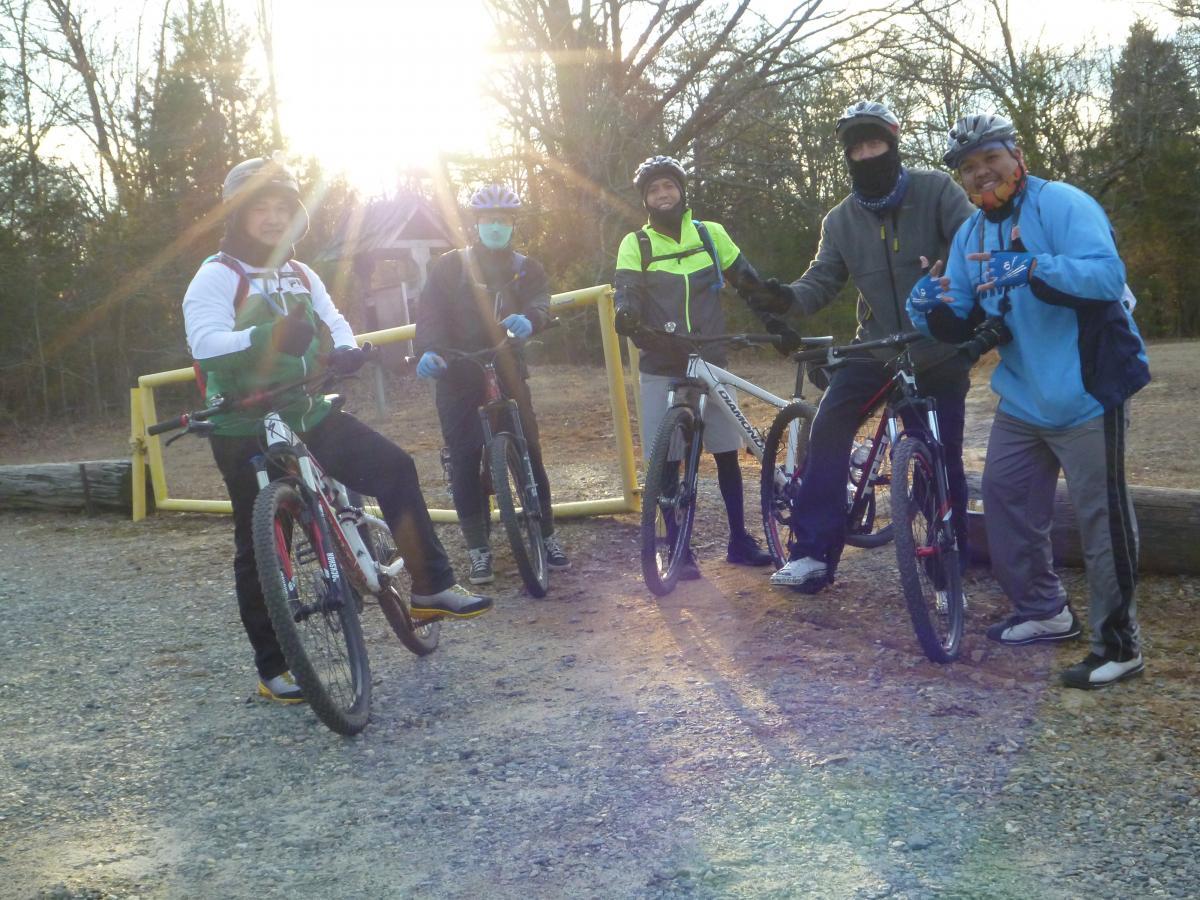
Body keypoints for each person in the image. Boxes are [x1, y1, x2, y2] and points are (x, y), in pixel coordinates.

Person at [183, 156, 492, 704]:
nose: (274, 219)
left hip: (303, 408)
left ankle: (430, 586)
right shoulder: (217, 274)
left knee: (394, 467)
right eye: (262, 208)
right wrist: (267, 338)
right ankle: (274, 667)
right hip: (242, 422)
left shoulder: (300, 273)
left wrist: (347, 349)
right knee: (258, 544)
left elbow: (333, 318)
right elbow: (205, 342)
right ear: (238, 214)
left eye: (284, 208)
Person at [907, 113, 1150, 689]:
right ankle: (1045, 611)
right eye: (968, 169)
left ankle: (1120, 646)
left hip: (1089, 388)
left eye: (990, 159)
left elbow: (1106, 277)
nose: (981, 174)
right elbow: (965, 316)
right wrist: (931, 309)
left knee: (1102, 520)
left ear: (1016, 156)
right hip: (1024, 397)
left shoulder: (1062, 204)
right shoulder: (972, 233)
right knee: (1006, 501)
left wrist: (1034, 266)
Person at [747, 101, 976, 593]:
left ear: (893, 144)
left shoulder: (937, 190)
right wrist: (783, 298)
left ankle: (947, 553)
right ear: (847, 155)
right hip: (875, 350)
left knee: (943, 452)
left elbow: (975, 248)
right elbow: (820, 282)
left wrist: (967, 308)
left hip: (937, 347)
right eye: (856, 147)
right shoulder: (840, 220)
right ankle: (812, 553)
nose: (866, 153)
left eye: (874, 143)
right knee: (828, 426)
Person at [612, 154, 781, 579]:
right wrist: (626, 315)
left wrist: (777, 322)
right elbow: (627, 291)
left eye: (669, 185)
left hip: (710, 357)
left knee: (726, 453)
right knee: (666, 459)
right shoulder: (638, 243)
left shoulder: (710, 234)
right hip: (661, 361)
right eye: (653, 189)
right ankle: (679, 550)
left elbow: (748, 282)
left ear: (681, 189)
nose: (662, 194)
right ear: (644, 199)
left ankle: (740, 541)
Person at [413, 184, 569, 586]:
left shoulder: (525, 267)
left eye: (503, 220)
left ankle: (547, 534)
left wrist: (532, 318)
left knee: (530, 449)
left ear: (513, 224)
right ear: (476, 223)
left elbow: (541, 298)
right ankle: (477, 547)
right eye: (488, 220)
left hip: (507, 364)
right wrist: (430, 350)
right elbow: (429, 312)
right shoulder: (450, 266)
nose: (496, 227)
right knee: (464, 456)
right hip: (456, 369)